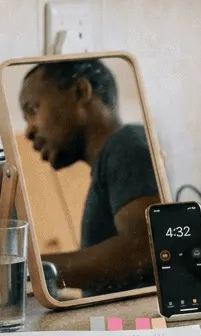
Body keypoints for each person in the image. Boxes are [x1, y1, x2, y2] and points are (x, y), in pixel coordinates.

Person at [19, 59, 160, 292]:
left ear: (80, 92)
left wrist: (24, 268)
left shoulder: (127, 145)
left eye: (33, 110)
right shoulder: (113, 157)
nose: (28, 131)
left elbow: (145, 251)